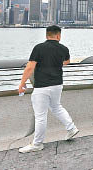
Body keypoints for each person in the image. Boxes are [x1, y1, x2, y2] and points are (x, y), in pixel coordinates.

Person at [18, 25, 79, 153]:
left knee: (40, 115)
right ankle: (71, 128)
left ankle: (37, 144)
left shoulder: (39, 48)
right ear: (58, 36)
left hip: (42, 86)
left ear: (47, 35)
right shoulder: (63, 48)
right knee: (56, 107)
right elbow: (67, 61)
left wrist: (22, 83)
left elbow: (30, 67)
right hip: (57, 84)